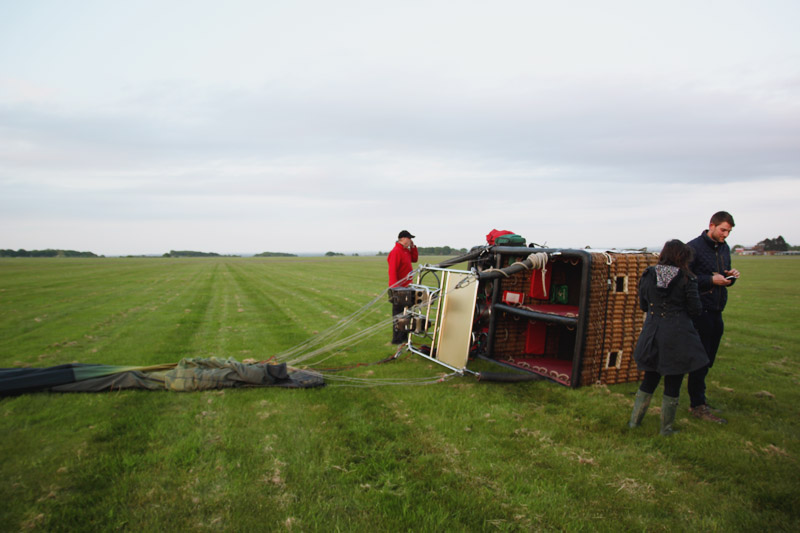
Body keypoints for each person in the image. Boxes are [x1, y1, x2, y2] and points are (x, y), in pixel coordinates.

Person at [628, 240, 710, 436]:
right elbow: (695, 309)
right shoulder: (687, 278)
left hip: (652, 332)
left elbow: (643, 305)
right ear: (681, 257)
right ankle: (666, 430)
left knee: (650, 378)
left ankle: (634, 424)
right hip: (677, 335)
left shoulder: (648, 274)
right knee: (673, 381)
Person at [686, 211, 739, 423]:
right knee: (699, 359)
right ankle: (697, 405)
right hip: (699, 311)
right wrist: (710, 280)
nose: (726, 234)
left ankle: (699, 400)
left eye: (729, 231)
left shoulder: (724, 248)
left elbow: (721, 275)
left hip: (717, 310)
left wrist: (730, 277)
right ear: (712, 225)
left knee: (708, 360)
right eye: (723, 230)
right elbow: (685, 278)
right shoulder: (693, 247)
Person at [388, 230, 418, 344]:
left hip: (407, 288)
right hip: (399, 289)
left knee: (407, 313)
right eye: (409, 239)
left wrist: (413, 247)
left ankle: (404, 337)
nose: (411, 240)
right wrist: (396, 288)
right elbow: (392, 271)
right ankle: (396, 339)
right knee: (398, 314)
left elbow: (414, 259)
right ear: (403, 238)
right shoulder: (396, 251)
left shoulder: (406, 251)